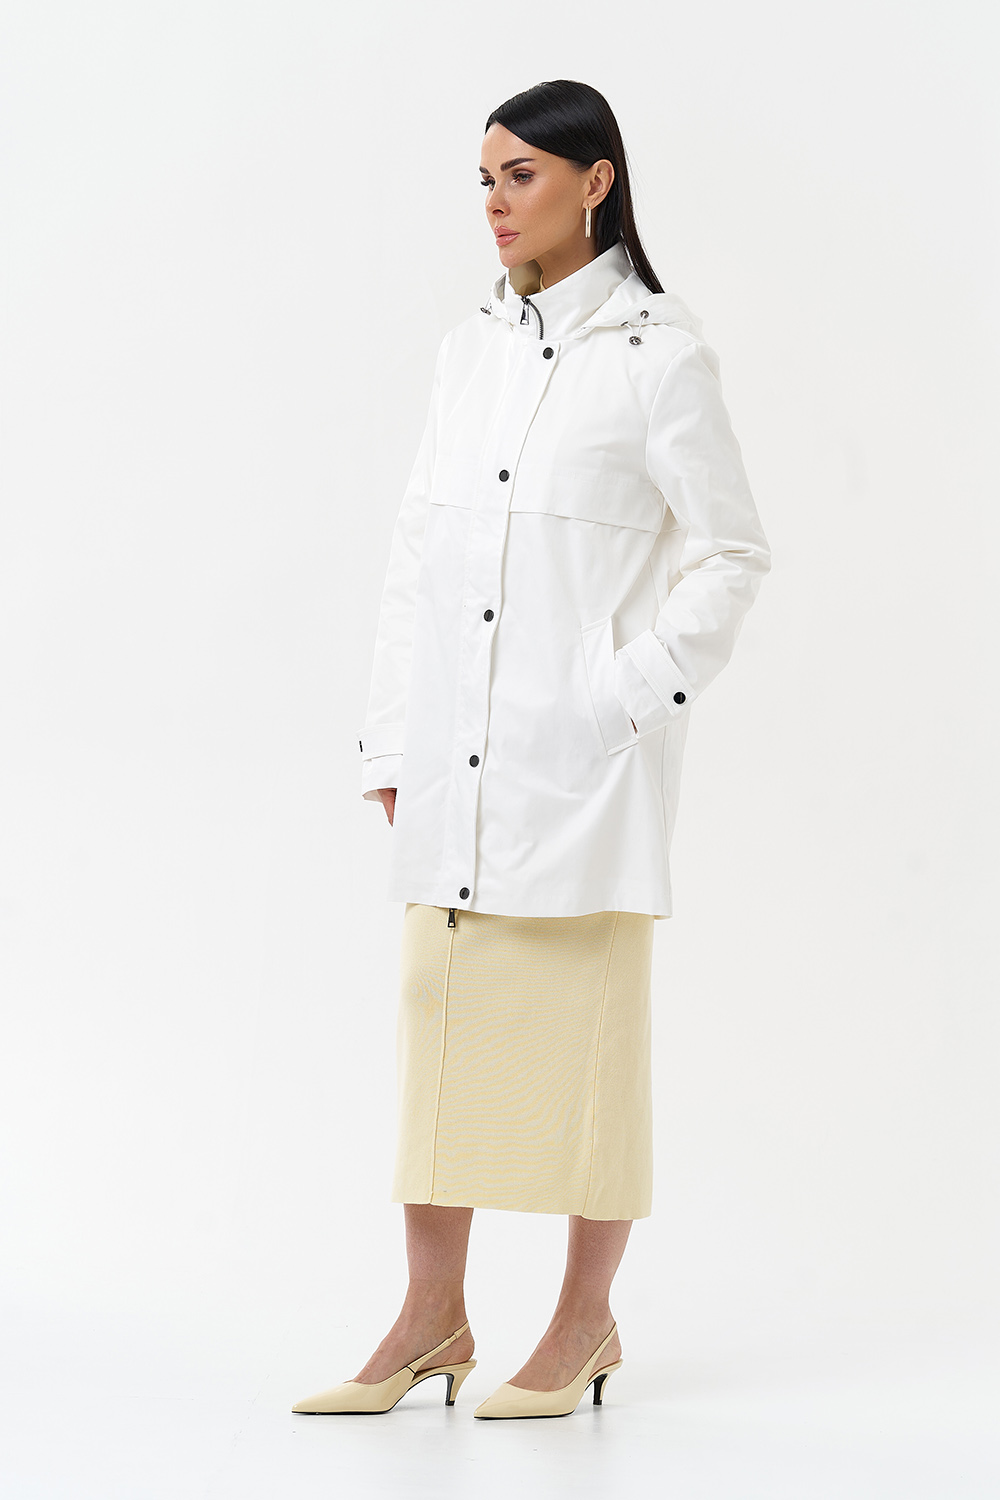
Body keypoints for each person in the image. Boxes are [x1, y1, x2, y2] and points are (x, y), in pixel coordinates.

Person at [293, 78, 771, 1421]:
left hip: (584, 774)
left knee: (587, 1058)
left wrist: (619, 698)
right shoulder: (470, 352)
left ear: (596, 180)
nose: (496, 205)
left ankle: (582, 1322)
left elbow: (732, 553)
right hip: (457, 764)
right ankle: (431, 1319)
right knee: (436, 1036)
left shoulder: (660, 357)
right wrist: (395, 738)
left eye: (522, 176)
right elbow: (417, 552)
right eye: (486, 181)